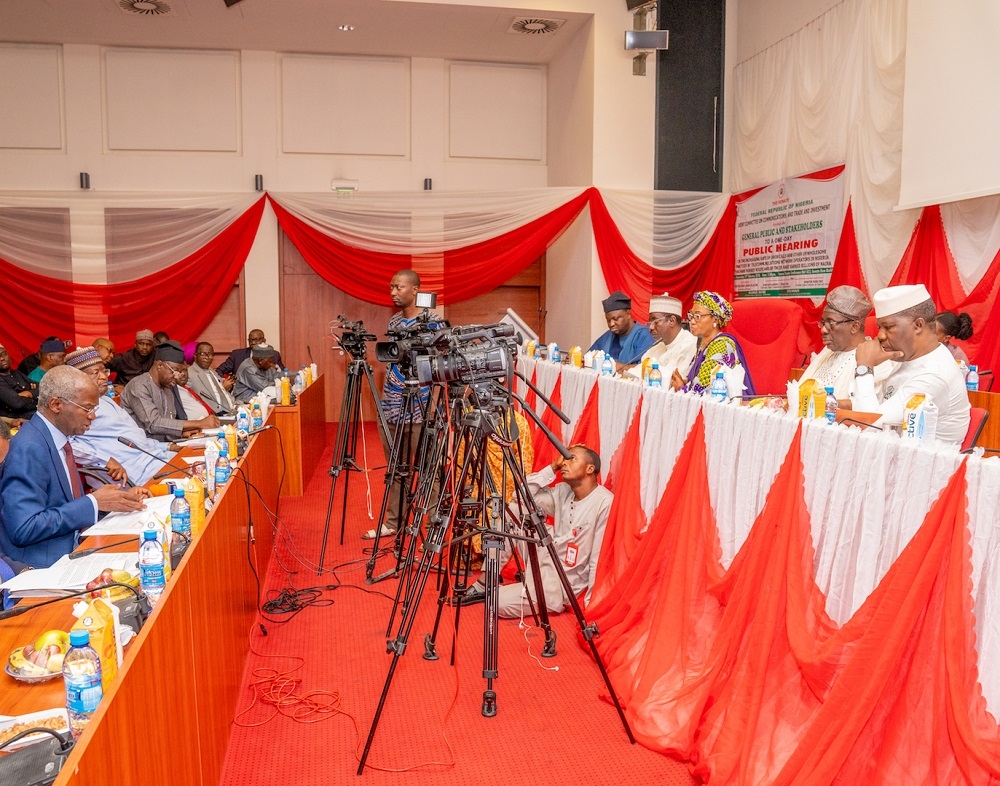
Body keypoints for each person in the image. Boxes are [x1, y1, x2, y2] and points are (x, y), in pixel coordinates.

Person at [0, 366, 150, 568]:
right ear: (56, 404)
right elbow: (24, 528)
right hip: (48, 564)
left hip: (76, 545)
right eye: (88, 408)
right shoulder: (30, 448)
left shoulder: (56, 437)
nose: (93, 417)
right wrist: (93, 502)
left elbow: (64, 506)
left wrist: (116, 500)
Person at [457, 444, 612, 617]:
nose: (564, 463)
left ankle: (538, 593)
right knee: (515, 510)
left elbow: (598, 557)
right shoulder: (563, 491)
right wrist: (552, 467)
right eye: (564, 459)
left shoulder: (604, 502)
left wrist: (590, 603)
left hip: (561, 583)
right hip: (547, 555)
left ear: (590, 468)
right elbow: (520, 496)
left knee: (495, 603)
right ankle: (485, 583)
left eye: (572, 458)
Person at [369, 269, 445, 540]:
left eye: (398, 287)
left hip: (422, 407)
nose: (393, 292)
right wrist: (383, 398)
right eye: (391, 287)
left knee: (427, 471)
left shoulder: (433, 323)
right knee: (396, 469)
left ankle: (433, 529)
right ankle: (394, 522)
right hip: (392, 405)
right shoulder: (395, 323)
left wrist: (434, 406)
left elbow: (441, 368)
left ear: (415, 290)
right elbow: (390, 364)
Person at [852, 284, 971, 444]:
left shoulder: (934, 374)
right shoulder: (906, 355)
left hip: (923, 465)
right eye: (880, 327)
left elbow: (867, 427)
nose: (880, 335)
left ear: (918, 325)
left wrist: (864, 368)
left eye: (888, 327)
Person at [65, 347, 178, 485]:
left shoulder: (105, 400)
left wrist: (168, 447)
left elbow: (134, 439)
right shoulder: (76, 408)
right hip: (135, 475)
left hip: (154, 459)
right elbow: (67, 445)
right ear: (78, 379)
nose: (104, 376)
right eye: (96, 372)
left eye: (104, 370)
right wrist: (104, 459)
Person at [800, 285, 893, 403]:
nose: (823, 330)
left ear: (855, 326)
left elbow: (865, 407)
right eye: (823, 323)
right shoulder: (828, 351)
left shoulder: (877, 360)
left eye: (831, 322)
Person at [120, 341, 220, 442]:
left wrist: (181, 434)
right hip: (141, 448)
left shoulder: (168, 387)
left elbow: (168, 423)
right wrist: (199, 423)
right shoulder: (139, 386)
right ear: (159, 365)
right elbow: (154, 423)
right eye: (174, 370)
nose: (177, 377)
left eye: (180, 372)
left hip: (163, 445)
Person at [670, 291, 756, 396]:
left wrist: (681, 388)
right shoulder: (703, 346)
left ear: (715, 319)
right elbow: (696, 383)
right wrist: (685, 383)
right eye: (691, 315)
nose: (692, 321)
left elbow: (702, 389)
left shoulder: (722, 344)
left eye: (698, 316)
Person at [623, 292, 697, 382]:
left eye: (655, 322)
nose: (651, 327)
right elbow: (638, 371)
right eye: (650, 322)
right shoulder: (658, 346)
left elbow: (676, 382)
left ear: (672, 321)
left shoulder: (689, 344)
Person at [588, 290, 655, 367]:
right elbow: (589, 357)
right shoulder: (608, 336)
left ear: (628, 314)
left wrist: (612, 366)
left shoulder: (643, 335)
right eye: (608, 320)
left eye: (615, 319)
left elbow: (643, 368)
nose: (611, 324)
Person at [187, 342, 237, 415]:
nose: (207, 357)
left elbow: (221, 388)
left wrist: (235, 406)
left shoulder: (211, 371)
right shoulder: (189, 373)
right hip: (215, 414)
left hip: (231, 410)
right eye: (203, 354)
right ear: (195, 355)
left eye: (210, 354)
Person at [216, 329, 284, 379]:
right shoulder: (237, 355)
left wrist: (276, 367)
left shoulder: (274, 355)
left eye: (256, 340)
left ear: (264, 341)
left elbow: (284, 374)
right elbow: (219, 371)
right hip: (243, 393)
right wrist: (224, 382)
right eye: (251, 340)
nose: (253, 343)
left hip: (266, 390)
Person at [0, 342, 39, 424]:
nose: (2, 358)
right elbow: (17, 403)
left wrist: (29, 393)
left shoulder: (17, 373)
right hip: (18, 422)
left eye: (4, 354)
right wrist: (36, 400)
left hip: (35, 414)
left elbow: (43, 387)